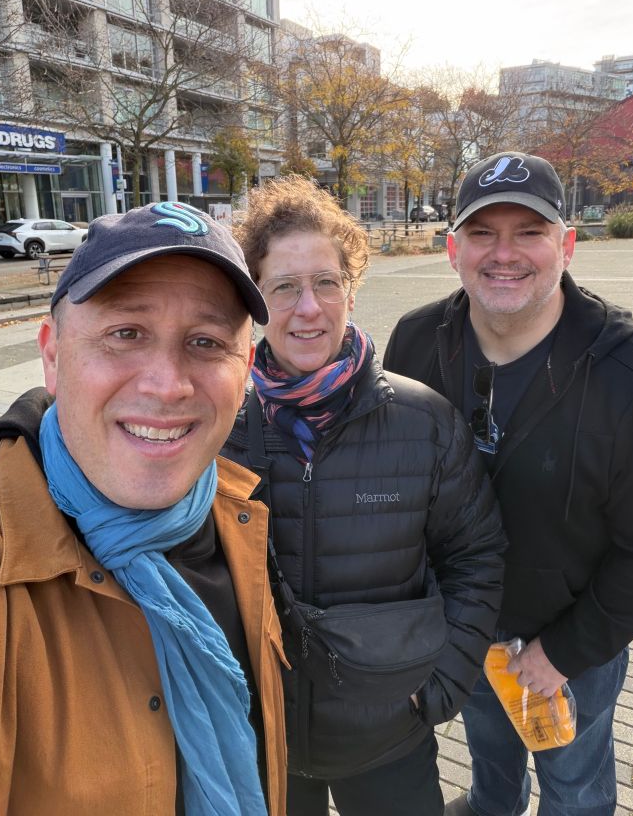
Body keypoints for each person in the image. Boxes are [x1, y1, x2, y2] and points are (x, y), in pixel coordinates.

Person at [384, 152, 633, 816]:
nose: (504, 253)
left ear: (567, 245)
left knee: (576, 790)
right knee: (492, 766)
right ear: (452, 249)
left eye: (529, 231)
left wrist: (563, 651)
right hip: (465, 631)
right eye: (482, 233)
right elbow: (395, 486)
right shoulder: (415, 344)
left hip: (572, 650)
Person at [0, 202, 289, 816]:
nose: (167, 383)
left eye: (205, 342)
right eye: (126, 334)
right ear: (54, 355)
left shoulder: (237, 513)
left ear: (246, 368)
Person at [222, 175, 506, 816]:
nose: (309, 307)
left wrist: (438, 687)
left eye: (326, 282)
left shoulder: (423, 421)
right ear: (256, 301)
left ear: (351, 288)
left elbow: (477, 557)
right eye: (285, 287)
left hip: (390, 741)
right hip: (263, 741)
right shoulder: (220, 427)